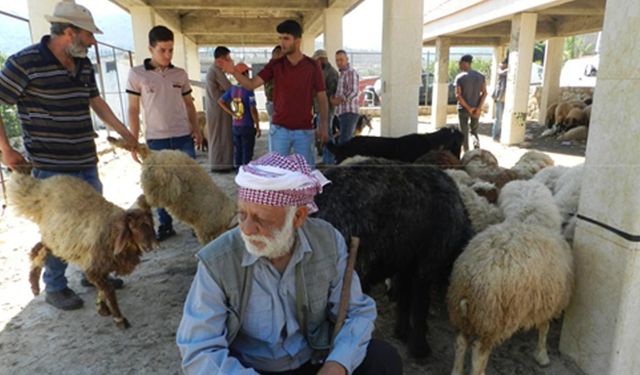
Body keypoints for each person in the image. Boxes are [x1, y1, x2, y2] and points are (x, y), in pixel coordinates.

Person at [176, 152, 403, 375]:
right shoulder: (218, 261)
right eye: (242, 214)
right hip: (248, 369)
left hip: (314, 360)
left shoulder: (327, 241)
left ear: (298, 217)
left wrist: (337, 366)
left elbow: (357, 312)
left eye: (260, 219)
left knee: (382, 359)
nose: (246, 229)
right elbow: (200, 348)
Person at [0, 1, 138, 310]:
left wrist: (126, 133)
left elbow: (96, 101)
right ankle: (56, 286)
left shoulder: (83, 63)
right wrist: (6, 149)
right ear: (69, 32)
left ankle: (93, 273)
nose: (92, 42)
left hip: (85, 160)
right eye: (88, 35)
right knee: (58, 229)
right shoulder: (24, 63)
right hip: (50, 167)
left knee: (99, 225)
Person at [217, 20, 329, 169]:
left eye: (286, 38)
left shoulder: (312, 66)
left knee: (306, 175)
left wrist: (324, 125)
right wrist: (234, 72)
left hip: (304, 131)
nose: (282, 43)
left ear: (298, 41)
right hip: (279, 130)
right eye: (280, 38)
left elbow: (322, 97)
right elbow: (251, 84)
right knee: (276, 174)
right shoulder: (275, 65)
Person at [126, 25, 202, 241]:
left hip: (182, 137)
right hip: (155, 140)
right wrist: (133, 140)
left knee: (190, 183)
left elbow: (189, 104)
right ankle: (166, 226)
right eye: (162, 50)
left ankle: (195, 224)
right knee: (159, 186)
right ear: (150, 49)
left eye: (171, 50)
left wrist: (196, 128)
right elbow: (133, 108)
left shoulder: (180, 74)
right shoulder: (137, 74)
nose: (168, 55)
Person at [217, 63, 261, 168]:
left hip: (236, 125)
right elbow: (252, 109)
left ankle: (238, 173)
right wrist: (258, 125)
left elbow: (220, 101)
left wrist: (232, 113)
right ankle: (245, 175)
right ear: (244, 74)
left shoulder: (233, 89)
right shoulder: (249, 90)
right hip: (247, 126)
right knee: (247, 154)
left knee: (238, 152)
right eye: (247, 72)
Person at [206, 46, 234, 172]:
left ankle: (221, 164)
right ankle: (221, 165)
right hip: (219, 109)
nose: (230, 60)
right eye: (228, 58)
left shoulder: (214, 70)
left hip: (217, 108)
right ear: (221, 58)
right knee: (221, 137)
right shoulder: (216, 70)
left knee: (220, 136)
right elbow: (229, 88)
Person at [454, 54, 487, 151]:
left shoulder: (459, 77)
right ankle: (477, 149)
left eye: (460, 63)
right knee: (474, 131)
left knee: (463, 132)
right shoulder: (480, 76)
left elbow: (458, 95)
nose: (459, 66)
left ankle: (466, 152)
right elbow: (484, 93)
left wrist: (469, 108)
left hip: (463, 109)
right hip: (476, 110)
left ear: (465, 64)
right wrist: (478, 108)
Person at [311, 49, 339, 165]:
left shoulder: (331, 73)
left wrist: (317, 92)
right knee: (322, 134)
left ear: (322, 59)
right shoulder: (321, 71)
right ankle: (326, 159)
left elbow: (331, 93)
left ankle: (329, 160)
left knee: (326, 134)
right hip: (319, 109)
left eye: (316, 61)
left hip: (326, 110)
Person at [331, 50, 360, 145]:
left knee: (345, 142)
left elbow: (353, 91)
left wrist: (338, 100)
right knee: (345, 141)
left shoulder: (350, 72)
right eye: (337, 60)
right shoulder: (342, 74)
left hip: (349, 113)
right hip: (342, 113)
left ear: (347, 59)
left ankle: (345, 160)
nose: (338, 62)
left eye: (341, 60)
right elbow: (342, 92)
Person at [264, 45, 283, 151]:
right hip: (275, 103)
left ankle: (275, 156)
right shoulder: (274, 68)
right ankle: (275, 157)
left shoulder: (269, 67)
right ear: (277, 54)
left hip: (272, 102)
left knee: (275, 131)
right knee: (277, 132)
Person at [491, 58, 508, 142]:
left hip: (506, 98)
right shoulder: (501, 71)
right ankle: (495, 136)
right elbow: (502, 72)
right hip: (499, 98)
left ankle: (500, 135)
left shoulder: (506, 72)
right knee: (498, 118)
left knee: (503, 118)